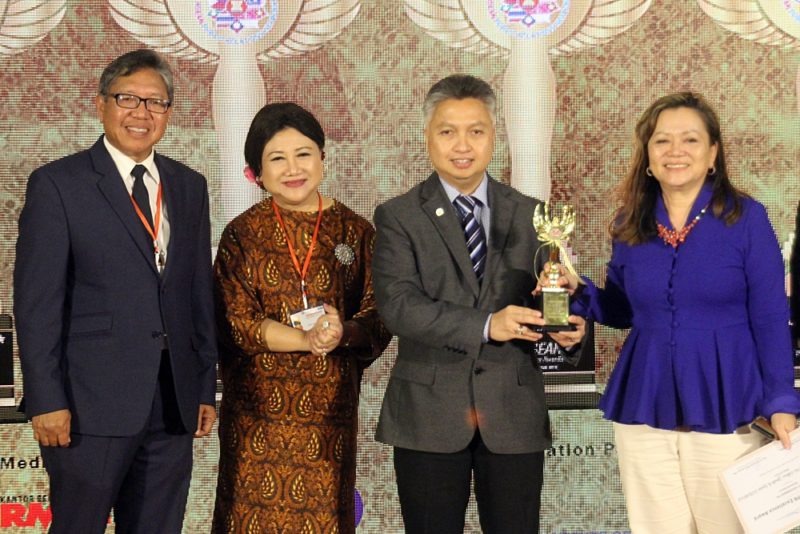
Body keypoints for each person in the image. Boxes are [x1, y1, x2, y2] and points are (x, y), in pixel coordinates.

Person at [569, 92, 800, 533]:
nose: (675, 151)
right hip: (644, 408)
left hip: (729, 407)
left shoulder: (747, 219)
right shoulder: (629, 223)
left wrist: (781, 402)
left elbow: (771, 319)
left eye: (690, 140)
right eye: (662, 141)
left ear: (713, 154)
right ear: (648, 155)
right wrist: (574, 290)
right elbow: (622, 309)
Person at [371, 74, 586, 534]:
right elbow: (399, 306)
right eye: (448, 131)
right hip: (428, 416)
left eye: (476, 131)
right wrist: (487, 325)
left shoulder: (532, 214)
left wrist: (569, 326)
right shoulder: (398, 216)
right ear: (427, 136)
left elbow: (551, 298)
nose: (462, 145)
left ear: (495, 135)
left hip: (513, 413)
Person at [13, 49, 217, 533]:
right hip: (88, 406)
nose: (141, 113)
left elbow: (197, 295)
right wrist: (45, 398)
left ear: (168, 113)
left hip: (172, 403)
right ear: (101, 104)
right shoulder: (58, 184)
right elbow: (37, 305)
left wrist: (204, 386)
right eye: (128, 98)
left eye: (156, 102)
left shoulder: (189, 186)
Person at [211, 102, 391, 533]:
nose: (293, 168)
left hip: (328, 417)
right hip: (256, 418)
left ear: (323, 158)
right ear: (256, 172)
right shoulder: (241, 235)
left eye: (304, 154)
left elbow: (379, 314)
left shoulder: (356, 231)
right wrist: (305, 340)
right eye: (277, 158)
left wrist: (341, 332)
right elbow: (236, 322)